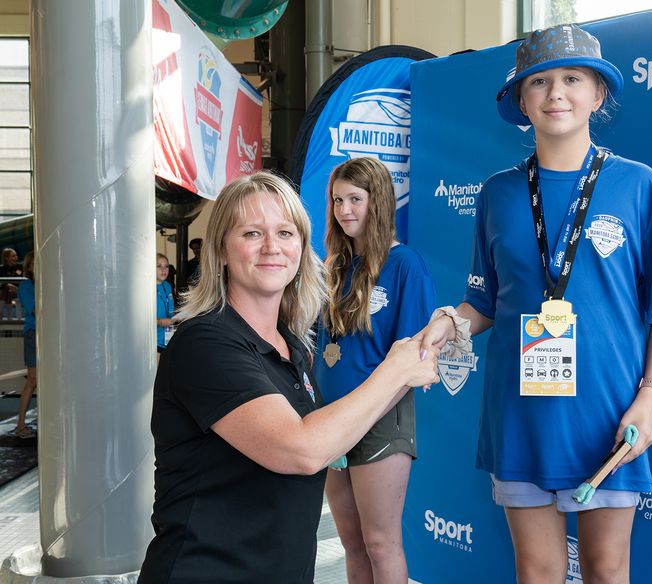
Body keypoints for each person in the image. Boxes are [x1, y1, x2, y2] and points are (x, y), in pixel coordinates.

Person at [415, 24, 652, 584]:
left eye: (572, 79)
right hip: (520, 412)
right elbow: (482, 301)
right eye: (538, 82)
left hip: (610, 414)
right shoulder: (497, 193)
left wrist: (650, 399)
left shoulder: (638, 185)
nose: (556, 92)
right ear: (521, 100)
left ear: (598, 95)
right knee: (536, 572)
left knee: (606, 570)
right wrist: (447, 324)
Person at [139, 170, 438, 583]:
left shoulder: (292, 346)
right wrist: (394, 370)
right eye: (251, 233)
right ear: (221, 250)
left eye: (285, 233)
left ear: (301, 248)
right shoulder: (205, 344)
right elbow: (300, 450)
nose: (271, 248)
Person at [315, 157, 437, 584]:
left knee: (381, 542)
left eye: (355, 199)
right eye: (337, 200)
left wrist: (363, 414)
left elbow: (413, 362)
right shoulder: (331, 268)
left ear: (379, 201)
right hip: (331, 420)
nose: (344, 209)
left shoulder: (405, 266)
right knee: (351, 540)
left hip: (383, 422)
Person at [11, 251, 36, 439]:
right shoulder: (27, 287)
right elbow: (35, 311)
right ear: (29, 267)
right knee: (33, 380)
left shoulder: (46, 285)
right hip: (33, 334)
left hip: (46, 335)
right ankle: (20, 425)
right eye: (36, 264)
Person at [155, 253, 175, 354]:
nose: (164, 270)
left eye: (166, 266)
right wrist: (160, 322)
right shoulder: (146, 288)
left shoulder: (167, 286)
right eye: (159, 266)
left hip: (168, 338)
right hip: (154, 342)